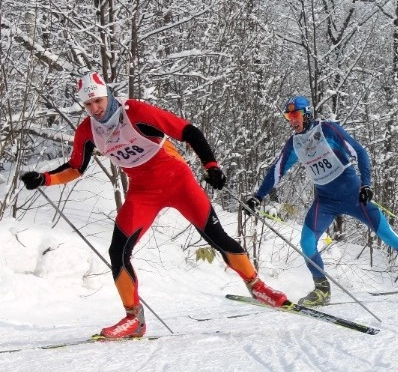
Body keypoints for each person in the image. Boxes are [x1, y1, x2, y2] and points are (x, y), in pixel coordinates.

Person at [20, 71, 286, 339]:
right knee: (117, 251)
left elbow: (189, 132)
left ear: (108, 94)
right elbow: (76, 167)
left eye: (98, 101)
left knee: (216, 237)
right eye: (88, 105)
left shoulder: (135, 112)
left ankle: (257, 286)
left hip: (177, 180)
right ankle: (134, 318)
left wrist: (211, 166)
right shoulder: (87, 130)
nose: (95, 109)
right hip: (142, 191)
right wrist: (44, 179)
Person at [246, 95, 398, 305]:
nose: (292, 120)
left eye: (295, 115)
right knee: (307, 242)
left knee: (388, 236)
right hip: (325, 200)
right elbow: (277, 170)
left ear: (306, 114)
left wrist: (366, 184)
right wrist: (258, 196)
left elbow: (360, 152)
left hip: (353, 195)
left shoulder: (327, 130)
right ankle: (322, 290)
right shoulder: (295, 143)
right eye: (288, 116)